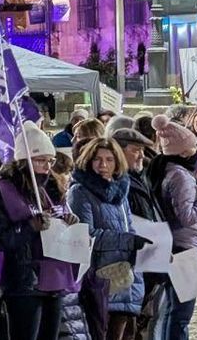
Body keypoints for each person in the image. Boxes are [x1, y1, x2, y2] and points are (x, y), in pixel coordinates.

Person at [0, 121, 80, 340]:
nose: (46, 166)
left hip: (54, 278)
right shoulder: (1, 193)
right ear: (23, 161)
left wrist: (69, 221)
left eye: (50, 161)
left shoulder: (52, 189)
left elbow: (61, 216)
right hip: (22, 282)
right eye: (40, 160)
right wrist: (29, 227)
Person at [149, 114, 197, 340]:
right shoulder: (180, 176)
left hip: (178, 245)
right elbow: (187, 215)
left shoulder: (170, 171)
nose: (196, 150)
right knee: (180, 313)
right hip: (185, 249)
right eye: (193, 146)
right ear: (182, 151)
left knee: (174, 309)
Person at [67, 137, 149, 340]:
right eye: (97, 159)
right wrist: (128, 240)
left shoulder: (120, 191)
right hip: (99, 276)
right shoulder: (80, 192)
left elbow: (128, 226)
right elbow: (86, 234)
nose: (103, 165)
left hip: (124, 274)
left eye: (109, 159)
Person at [111, 127, 168, 339]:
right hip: (128, 266)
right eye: (136, 150)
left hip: (146, 263)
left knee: (140, 326)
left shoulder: (137, 176)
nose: (142, 156)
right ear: (119, 151)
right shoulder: (118, 182)